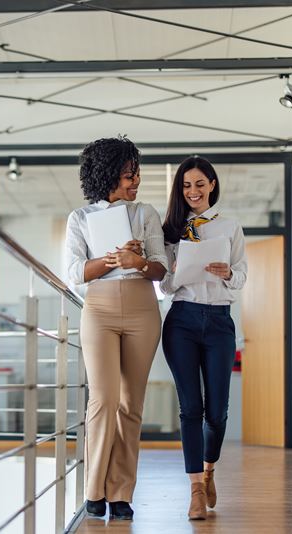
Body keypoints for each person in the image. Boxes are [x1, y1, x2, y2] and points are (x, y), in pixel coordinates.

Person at [64, 136, 167, 521]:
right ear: (107, 175)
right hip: (100, 309)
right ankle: (94, 489)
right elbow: (75, 273)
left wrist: (137, 261)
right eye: (128, 175)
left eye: (136, 174)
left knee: (130, 405)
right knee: (103, 400)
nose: (135, 181)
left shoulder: (146, 213)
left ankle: (121, 492)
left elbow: (161, 267)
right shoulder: (81, 219)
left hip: (142, 308)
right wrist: (111, 260)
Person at [159, 156, 247, 520]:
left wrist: (228, 272)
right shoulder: (171, 230)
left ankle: (209, 471)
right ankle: (195, 489)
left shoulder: (229, 226)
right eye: (185, 185)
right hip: (181, 320)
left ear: (212, 184)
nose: (192, 191)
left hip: (219, 322)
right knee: (190, 409)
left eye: (199, 184)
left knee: (217, 412)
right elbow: (163, 286)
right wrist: (176, 271)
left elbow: (241, 277)